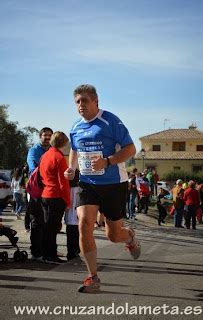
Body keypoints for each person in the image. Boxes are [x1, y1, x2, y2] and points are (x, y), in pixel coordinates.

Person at [64, 84, 140, 293]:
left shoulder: (110, 121)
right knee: (84, 223)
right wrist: (72, 169)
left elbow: (131, 149)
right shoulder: (75, 126)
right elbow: (75, 150)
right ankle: (93, 277)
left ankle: (130, 237)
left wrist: (107, 161)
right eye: (77, 101)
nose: (81, 105)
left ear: (96, 101)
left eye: (85, 100)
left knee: (113, 235)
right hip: (88, 184)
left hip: (114, 184)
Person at [40, 131, 71, 264]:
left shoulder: (45, 155)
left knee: (47, 227)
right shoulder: (59, 158)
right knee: (53, 228)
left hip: (45, 194)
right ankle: (51, 255)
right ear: (63, 143)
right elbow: (63, 183)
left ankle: (46, 253)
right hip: (56, 196)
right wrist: (67, 201)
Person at [27, 127, 53, 261]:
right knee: (37, 221)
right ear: (40, 136)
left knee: (47, 222)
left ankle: (45, 250)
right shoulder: (34, 150)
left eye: (50, 135)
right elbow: (34, 169)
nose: (47, 137)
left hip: (49, 192)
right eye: (45, 135)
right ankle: (36, 253)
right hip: (37, 191)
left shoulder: (52, 150)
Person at [64, 169, 80, 261]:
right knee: (77, 234)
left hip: (69, 216)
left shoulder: (67, 187)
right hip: (77, 216)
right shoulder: (80, 188)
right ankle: (76, 251)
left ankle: (70, 252)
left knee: (70, 235)